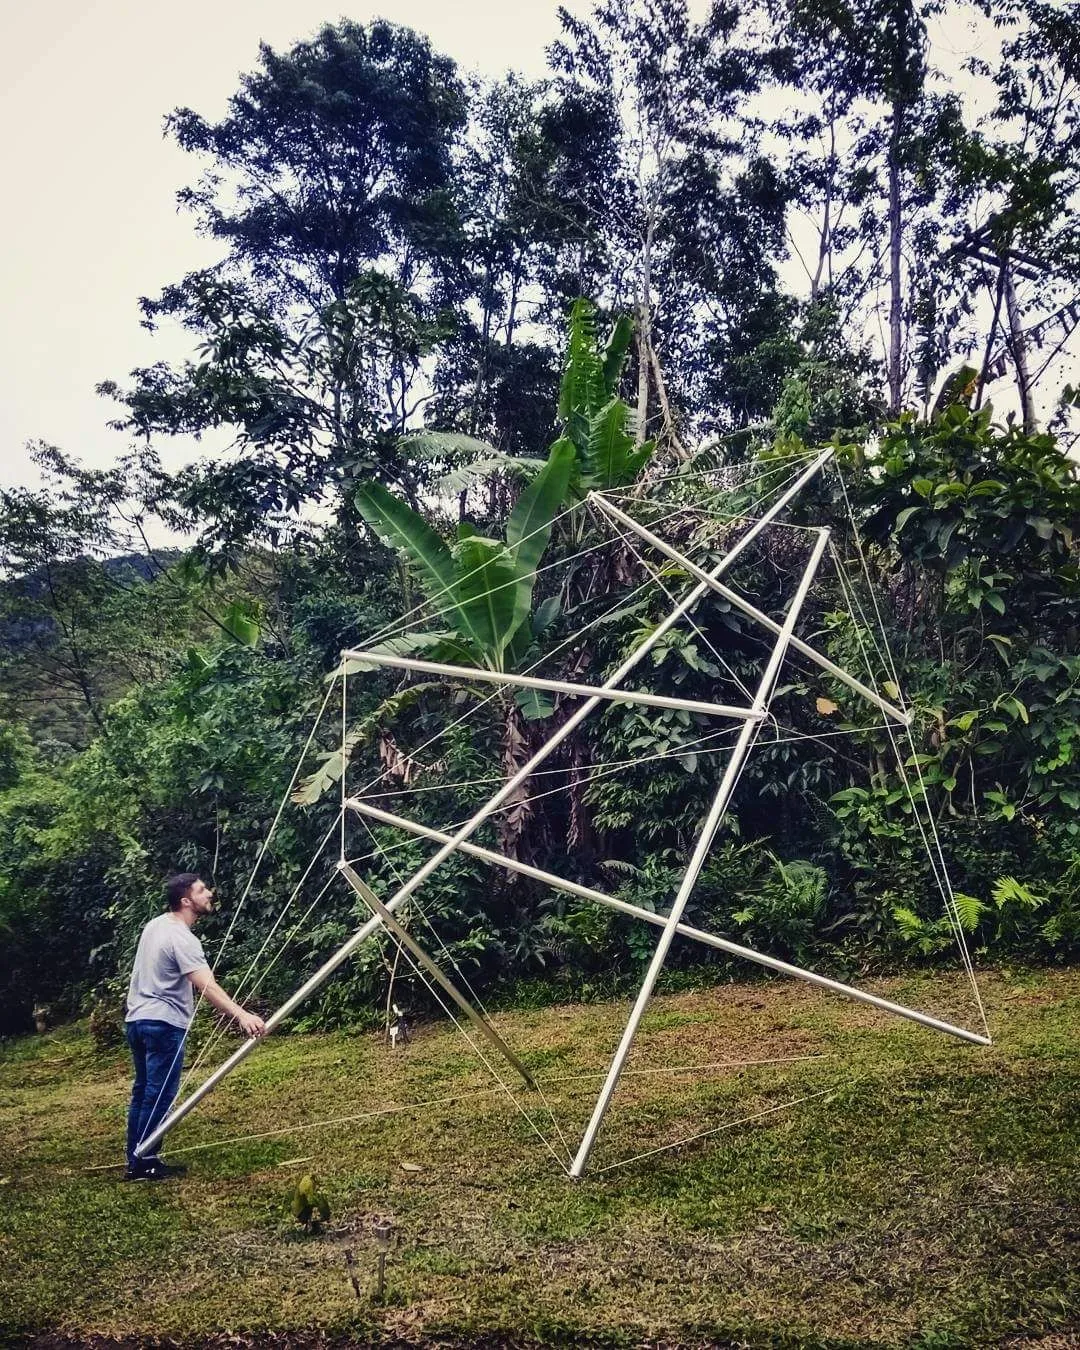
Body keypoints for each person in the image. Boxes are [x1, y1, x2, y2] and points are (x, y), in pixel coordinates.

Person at [124, 872, 266, 1180]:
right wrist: (242, 1015)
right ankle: (142, 1161)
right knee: (158, 1095)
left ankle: (138, 1158)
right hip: (162, 1023)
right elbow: (206, 985)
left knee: (143, 1092)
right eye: (202, 891)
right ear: (186, 901)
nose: (209, 894)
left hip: (137, 1020)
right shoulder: (182, 938)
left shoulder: (155, 926)